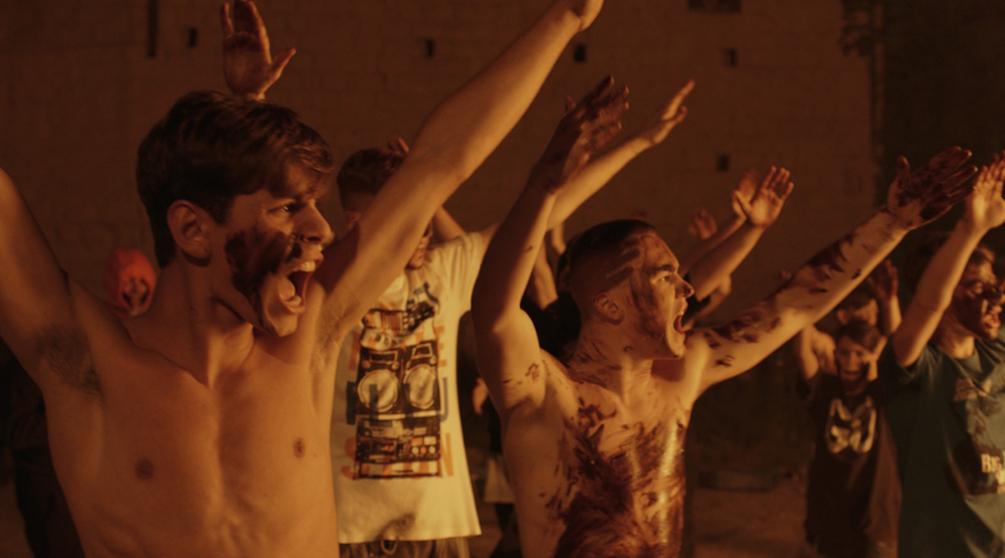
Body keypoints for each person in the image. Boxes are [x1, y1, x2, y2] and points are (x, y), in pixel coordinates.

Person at [0, 0, 613, 554]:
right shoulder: (87, 366)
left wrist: (567, 16)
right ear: (191, 229)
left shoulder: (306, 346)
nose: (320, 230)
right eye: (288, 208)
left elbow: (438, 163)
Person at [471, 95, 976, 558]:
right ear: (609, 305)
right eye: (665, 276)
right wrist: (543, 187)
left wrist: (891, 224)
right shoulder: (544, 395)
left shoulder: (679, 379)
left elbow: (794, 307)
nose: (686, 289)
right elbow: (495, 308)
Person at [329, 79, 693, 555]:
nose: (419, 232)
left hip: (433, 520)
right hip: (347, 520)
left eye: (421, 219)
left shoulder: (441, 274)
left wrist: (638, 143)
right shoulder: (323, 283)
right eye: (405, 219)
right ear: (356, 223)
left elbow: (545, 213)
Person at [883, 153, 1005, 557]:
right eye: (976, 284)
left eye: (993, 283)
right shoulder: (918, 370)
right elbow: (928, 304)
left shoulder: (997, 354)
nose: (994, 295)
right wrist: (970, 229)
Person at [796, 321, 900, 557]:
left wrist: (878, 362)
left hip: (874, 523)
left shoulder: (883, 394)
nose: (850, 360)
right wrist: (806, 316)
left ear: (873, 357)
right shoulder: (826, 389)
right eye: (844, 352)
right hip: (829, 519)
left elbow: (899, 347)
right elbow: (803, 352)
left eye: (859, 354)